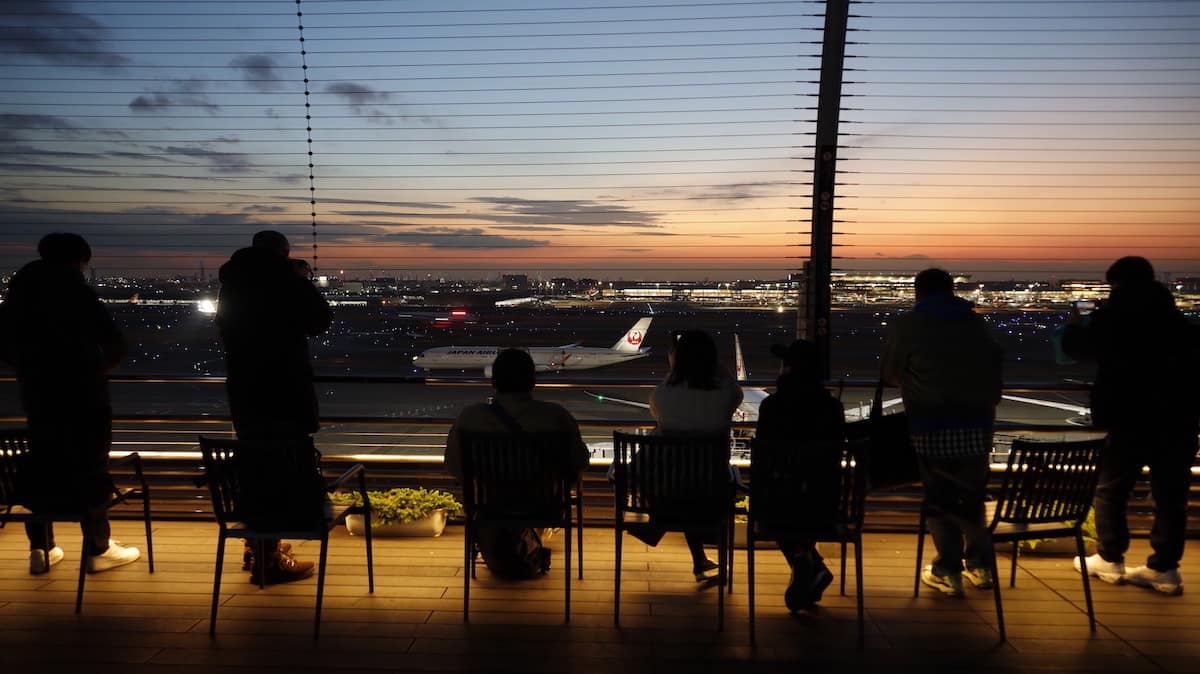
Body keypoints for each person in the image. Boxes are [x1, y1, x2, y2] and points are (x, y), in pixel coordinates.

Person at [0, 233, 141, 574]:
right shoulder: (74, 290)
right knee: (90, 468)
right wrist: (94, 369)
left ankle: (41, 548)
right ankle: (97, 547)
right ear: (79, 260)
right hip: (82, 398)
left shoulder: (20, 293)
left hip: (37, 395)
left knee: (41, 464)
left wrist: (28, 368)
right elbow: (113, 340)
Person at [1062, 256, 1200, 596]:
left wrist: (1075, 324)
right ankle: (1165, 568)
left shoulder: (1111, 319)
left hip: (1127, 418)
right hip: (1178, 419)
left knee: (1111, 489)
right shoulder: (1179, 322)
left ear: (1117, 284)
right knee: (1171, 497)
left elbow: (1074, 351)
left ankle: (1111, 558)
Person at [216, 230, 332, 584]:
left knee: (254, 466)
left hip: (246, 391)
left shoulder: (232, 283)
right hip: (285, 389)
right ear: (283, 253)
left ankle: (259, 548)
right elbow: (319, 321)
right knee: (286, 467)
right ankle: (270, 559)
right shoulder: (286, 280)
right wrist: (299, 280)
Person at [883, 268, 1003, 598]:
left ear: (918, 293)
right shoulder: (976, 322)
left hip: (930, 425)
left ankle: (947, 569)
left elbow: (891, 373)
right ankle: (981, 565)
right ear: (951, 290)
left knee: (938, 498)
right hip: (977, 425)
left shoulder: (909, 326)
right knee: (974, 495)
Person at [444, 348, 590, 578]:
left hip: (489, 506)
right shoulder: (556, 416)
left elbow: (454, 466)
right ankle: (525, 548)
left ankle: (507, 550)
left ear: (493, 381)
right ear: (533, 381)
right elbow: (580, 462)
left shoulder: (470, 418)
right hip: (544, 506)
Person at [754, 339, 845, 611]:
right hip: (825, 506)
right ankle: (806, 557)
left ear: (787, 370)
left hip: (779, 505)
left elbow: (764, 458)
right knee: (804, 500)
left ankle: (803, 558)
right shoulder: (833, 408)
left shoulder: (772, 406)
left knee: (776, 505)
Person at [648, 329, 744, 582]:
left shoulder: (661, 394)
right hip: (711, 497)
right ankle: (708, 562)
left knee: (684, 474)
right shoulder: (726, 392)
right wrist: (717, 369)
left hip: (669, 497)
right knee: (701, 477)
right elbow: (737, 393)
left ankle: (697, 558)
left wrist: (674, 372)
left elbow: (658, 416)